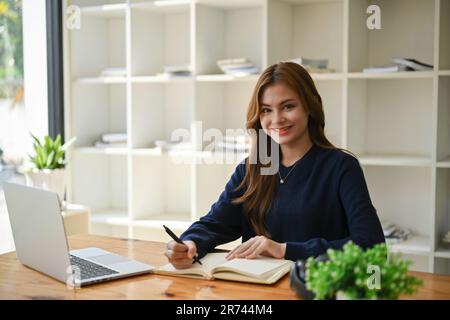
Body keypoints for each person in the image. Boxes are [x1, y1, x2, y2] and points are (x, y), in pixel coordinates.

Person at [165, 62, 385, 269]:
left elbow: (372, 246)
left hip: (317, 289)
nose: (276, 119)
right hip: (259, 291)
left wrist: (284, 250)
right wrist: (190, 243)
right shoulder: (252, 167)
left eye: (288, 106)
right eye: (266, 110)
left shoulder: (341, 167)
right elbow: (215, 223)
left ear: (310, 106)